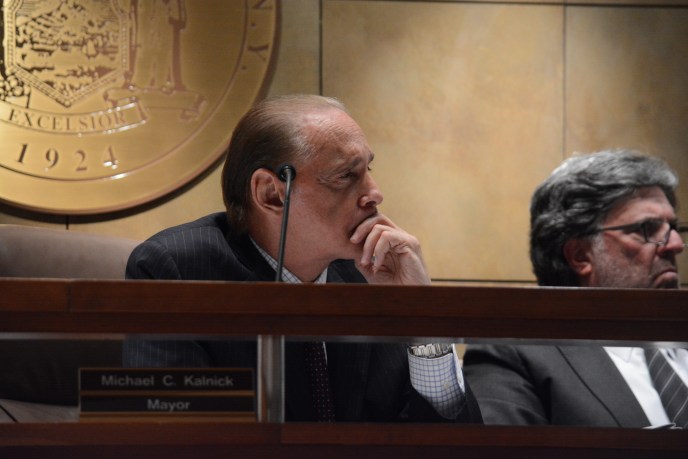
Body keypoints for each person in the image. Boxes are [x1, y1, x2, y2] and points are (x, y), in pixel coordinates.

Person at [124, 94, 482, 423]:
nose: (375, 193)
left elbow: (448, 441)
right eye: (346, 175)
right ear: (272, 194)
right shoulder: (176, 272)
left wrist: (422, 322)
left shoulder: (371, 275)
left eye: (369, 170)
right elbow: (169, 437)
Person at [464, 150, 688, 428]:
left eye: (673, 227)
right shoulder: (515, 355)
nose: (676, 244)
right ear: (581, 256)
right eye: (646, 229)